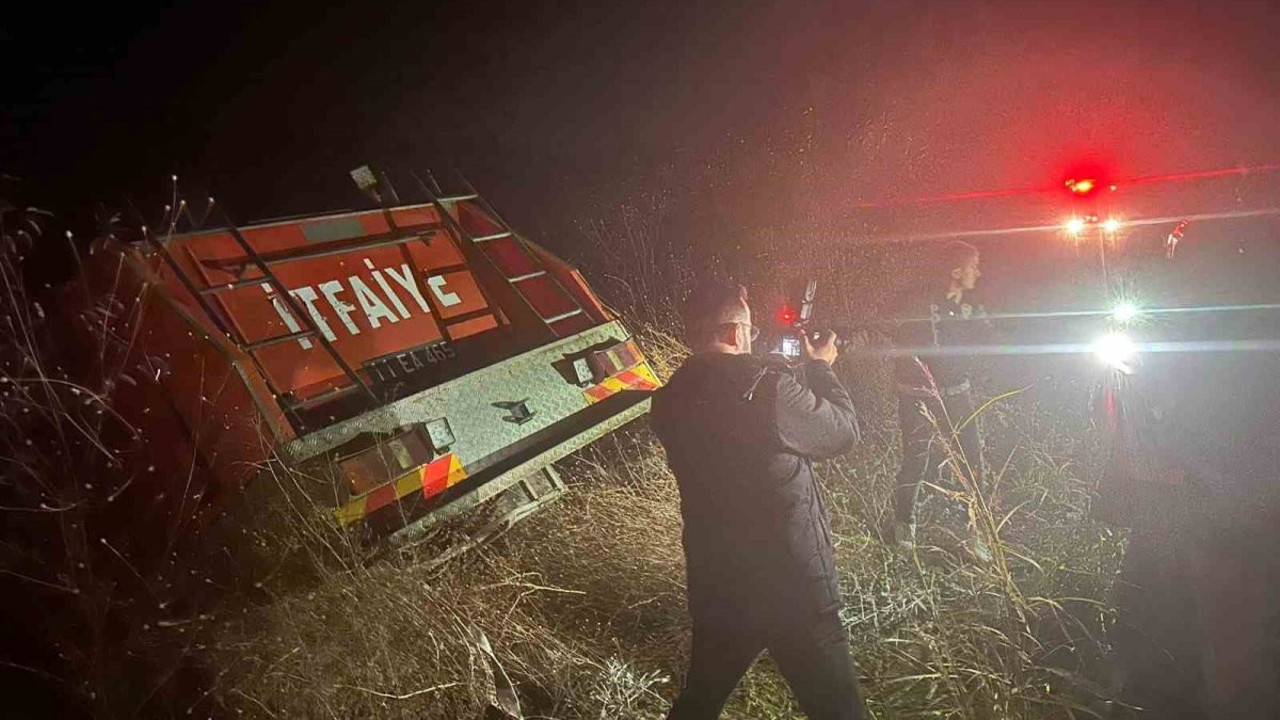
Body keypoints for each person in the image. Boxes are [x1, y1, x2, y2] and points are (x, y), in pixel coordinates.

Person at [651, 281, 865, 720]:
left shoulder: (667, 401)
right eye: (748, 332)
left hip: (720, 587)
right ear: (733, 334)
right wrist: (820, 367)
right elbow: (843, 431)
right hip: (793, 590)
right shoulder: (768, 389)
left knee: (698, 706)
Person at [886, 240, 989, 552]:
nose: (979, 273)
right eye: (973, 266)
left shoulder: (972, 308)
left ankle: (974, 536)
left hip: (959, 394)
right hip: (919, 397)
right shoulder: (918, 303)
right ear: (956, 271)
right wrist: (908, 383)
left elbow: (990, 339)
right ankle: (904, 531)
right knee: (915, 461)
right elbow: (900, 342)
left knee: (973, 462)